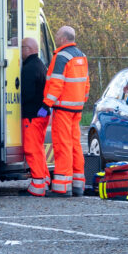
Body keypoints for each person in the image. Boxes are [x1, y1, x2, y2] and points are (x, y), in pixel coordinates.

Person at [42, 26, 90, 197]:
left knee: (63, 146)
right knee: (75, 145)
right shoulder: (82, 56)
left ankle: (62, 187)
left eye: (57, 36)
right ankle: (78, 185)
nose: (56, 38)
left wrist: (46, 103)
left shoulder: (61, 56)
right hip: (77, 108)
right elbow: (86, 84)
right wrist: (81, 100)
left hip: (62, 109)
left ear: (62, 39)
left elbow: (56, 83)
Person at [19, 37, 50, 197]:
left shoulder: (29, 68)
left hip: (32, 115)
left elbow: (27, 94)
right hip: (41, 115)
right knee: (38, 148)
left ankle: (38, 183)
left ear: (29, 49)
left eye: (22, 47)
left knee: (31, 149)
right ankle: (44, 179)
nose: (20, 51)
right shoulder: (40, 65)